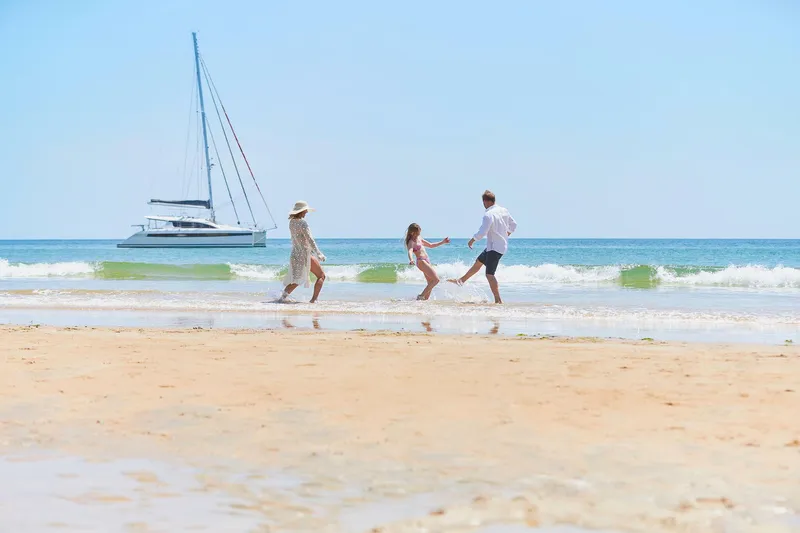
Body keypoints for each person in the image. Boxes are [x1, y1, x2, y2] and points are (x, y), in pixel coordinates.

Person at [448, 190, 517, 304]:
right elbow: (514, 224)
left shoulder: (488, 215)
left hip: (495, 248)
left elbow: (482, 232)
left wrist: (472, 240)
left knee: (490, 275)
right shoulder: (504, 210)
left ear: (485, 201)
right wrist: (506, 234)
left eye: (483, 202)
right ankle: (461, 281)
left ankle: (498, 300)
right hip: (497, 246)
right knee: (479, 262)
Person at [279, 201, 327, 303]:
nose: (306, 212)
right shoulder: (303, 223)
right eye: (305, 210)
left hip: (295, 254)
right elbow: (310, 239)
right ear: (301, 211)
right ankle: (313, 301)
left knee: (296, 281)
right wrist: (318, 253)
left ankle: (282, 298)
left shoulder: (291, 222)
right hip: (304, 255)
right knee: (321, 276)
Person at [404, 223, 450, 300]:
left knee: (430, 283)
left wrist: (443, 242)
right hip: (421, 261)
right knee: (436, 280)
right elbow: (410, 251)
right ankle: (421, 296)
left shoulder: (419, 238)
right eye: (418, 232)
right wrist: (411, 259)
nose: (419, 233)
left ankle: (424, 301)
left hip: (426, 260)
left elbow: (431, 245)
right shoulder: (411, 242)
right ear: (412, 232)